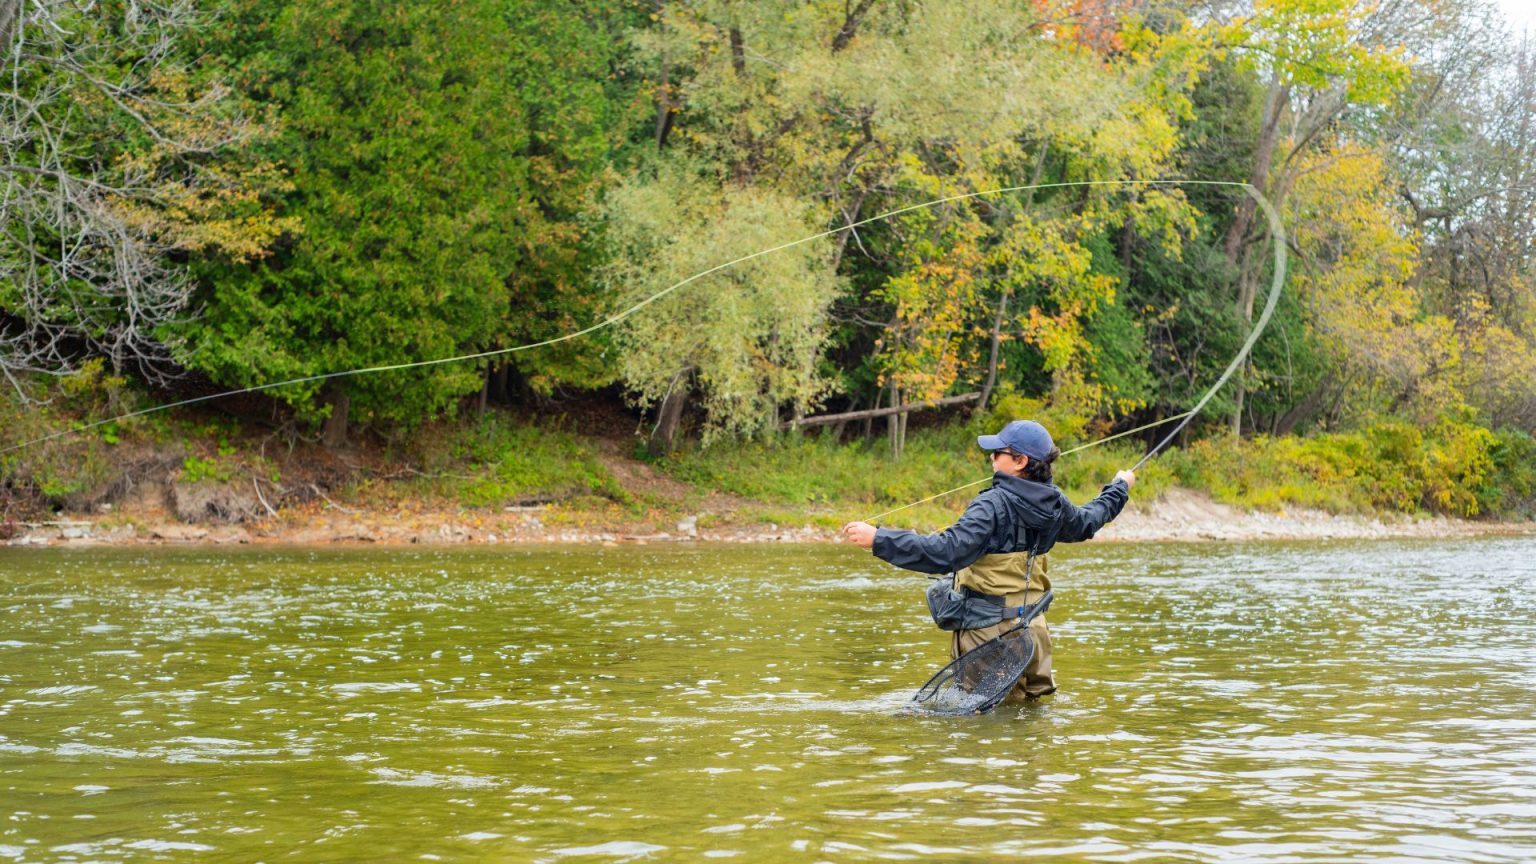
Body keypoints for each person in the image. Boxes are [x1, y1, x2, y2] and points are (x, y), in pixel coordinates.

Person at [841, 420, 1134, 700]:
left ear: (1020, 462)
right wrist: (1119, 487)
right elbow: (1089, 521)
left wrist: (879, 539)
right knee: (1026, 721)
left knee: (980, 728)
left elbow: (946, 552)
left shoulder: (991, 505)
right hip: (1034, 633)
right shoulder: (1056, 503)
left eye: (998, 453)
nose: (991, 458)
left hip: (988, 637)